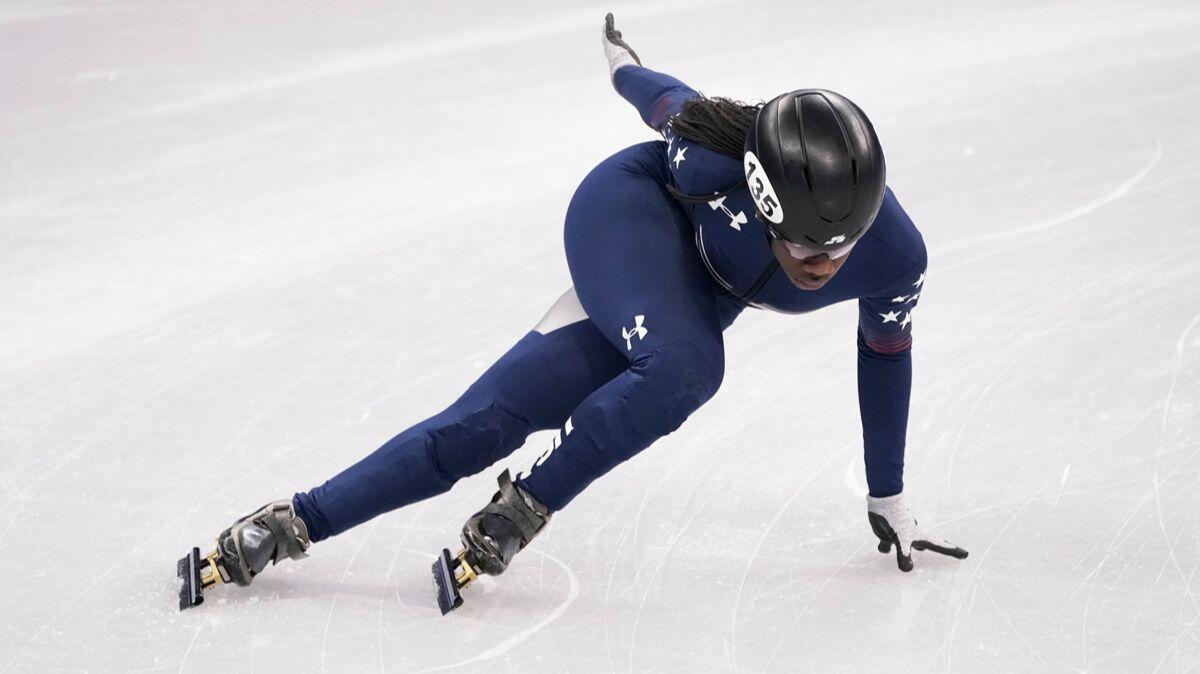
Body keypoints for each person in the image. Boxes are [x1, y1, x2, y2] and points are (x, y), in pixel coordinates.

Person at [177, 13, 967, 613]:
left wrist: (887, 496)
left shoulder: (896, 255)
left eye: (843, 246)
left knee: (486, 423)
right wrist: (622, 62)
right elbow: (662, 100)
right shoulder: (712, 154)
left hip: (690, 306)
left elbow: (885, 351)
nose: (828, 266)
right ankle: (506, 509)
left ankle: (293, 524)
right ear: (760, 196)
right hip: (629, 220)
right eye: (806, 247)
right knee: (686, 368)